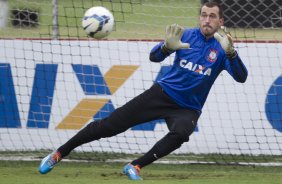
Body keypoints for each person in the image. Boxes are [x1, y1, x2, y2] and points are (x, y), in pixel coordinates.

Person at [38, 1, 248, 180]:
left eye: (212, 16)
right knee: (110, 126)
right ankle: (59, 153)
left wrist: (232, 55)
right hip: (161, 94)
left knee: (182, 133)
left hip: (188, 108)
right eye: (204, 15)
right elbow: (154, 57)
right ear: (199, 17)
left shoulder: (223, 48)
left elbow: (241, 77)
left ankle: (135, 166)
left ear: (220, 22)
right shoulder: (185, 35)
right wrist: (167, 47)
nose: (207, 20)